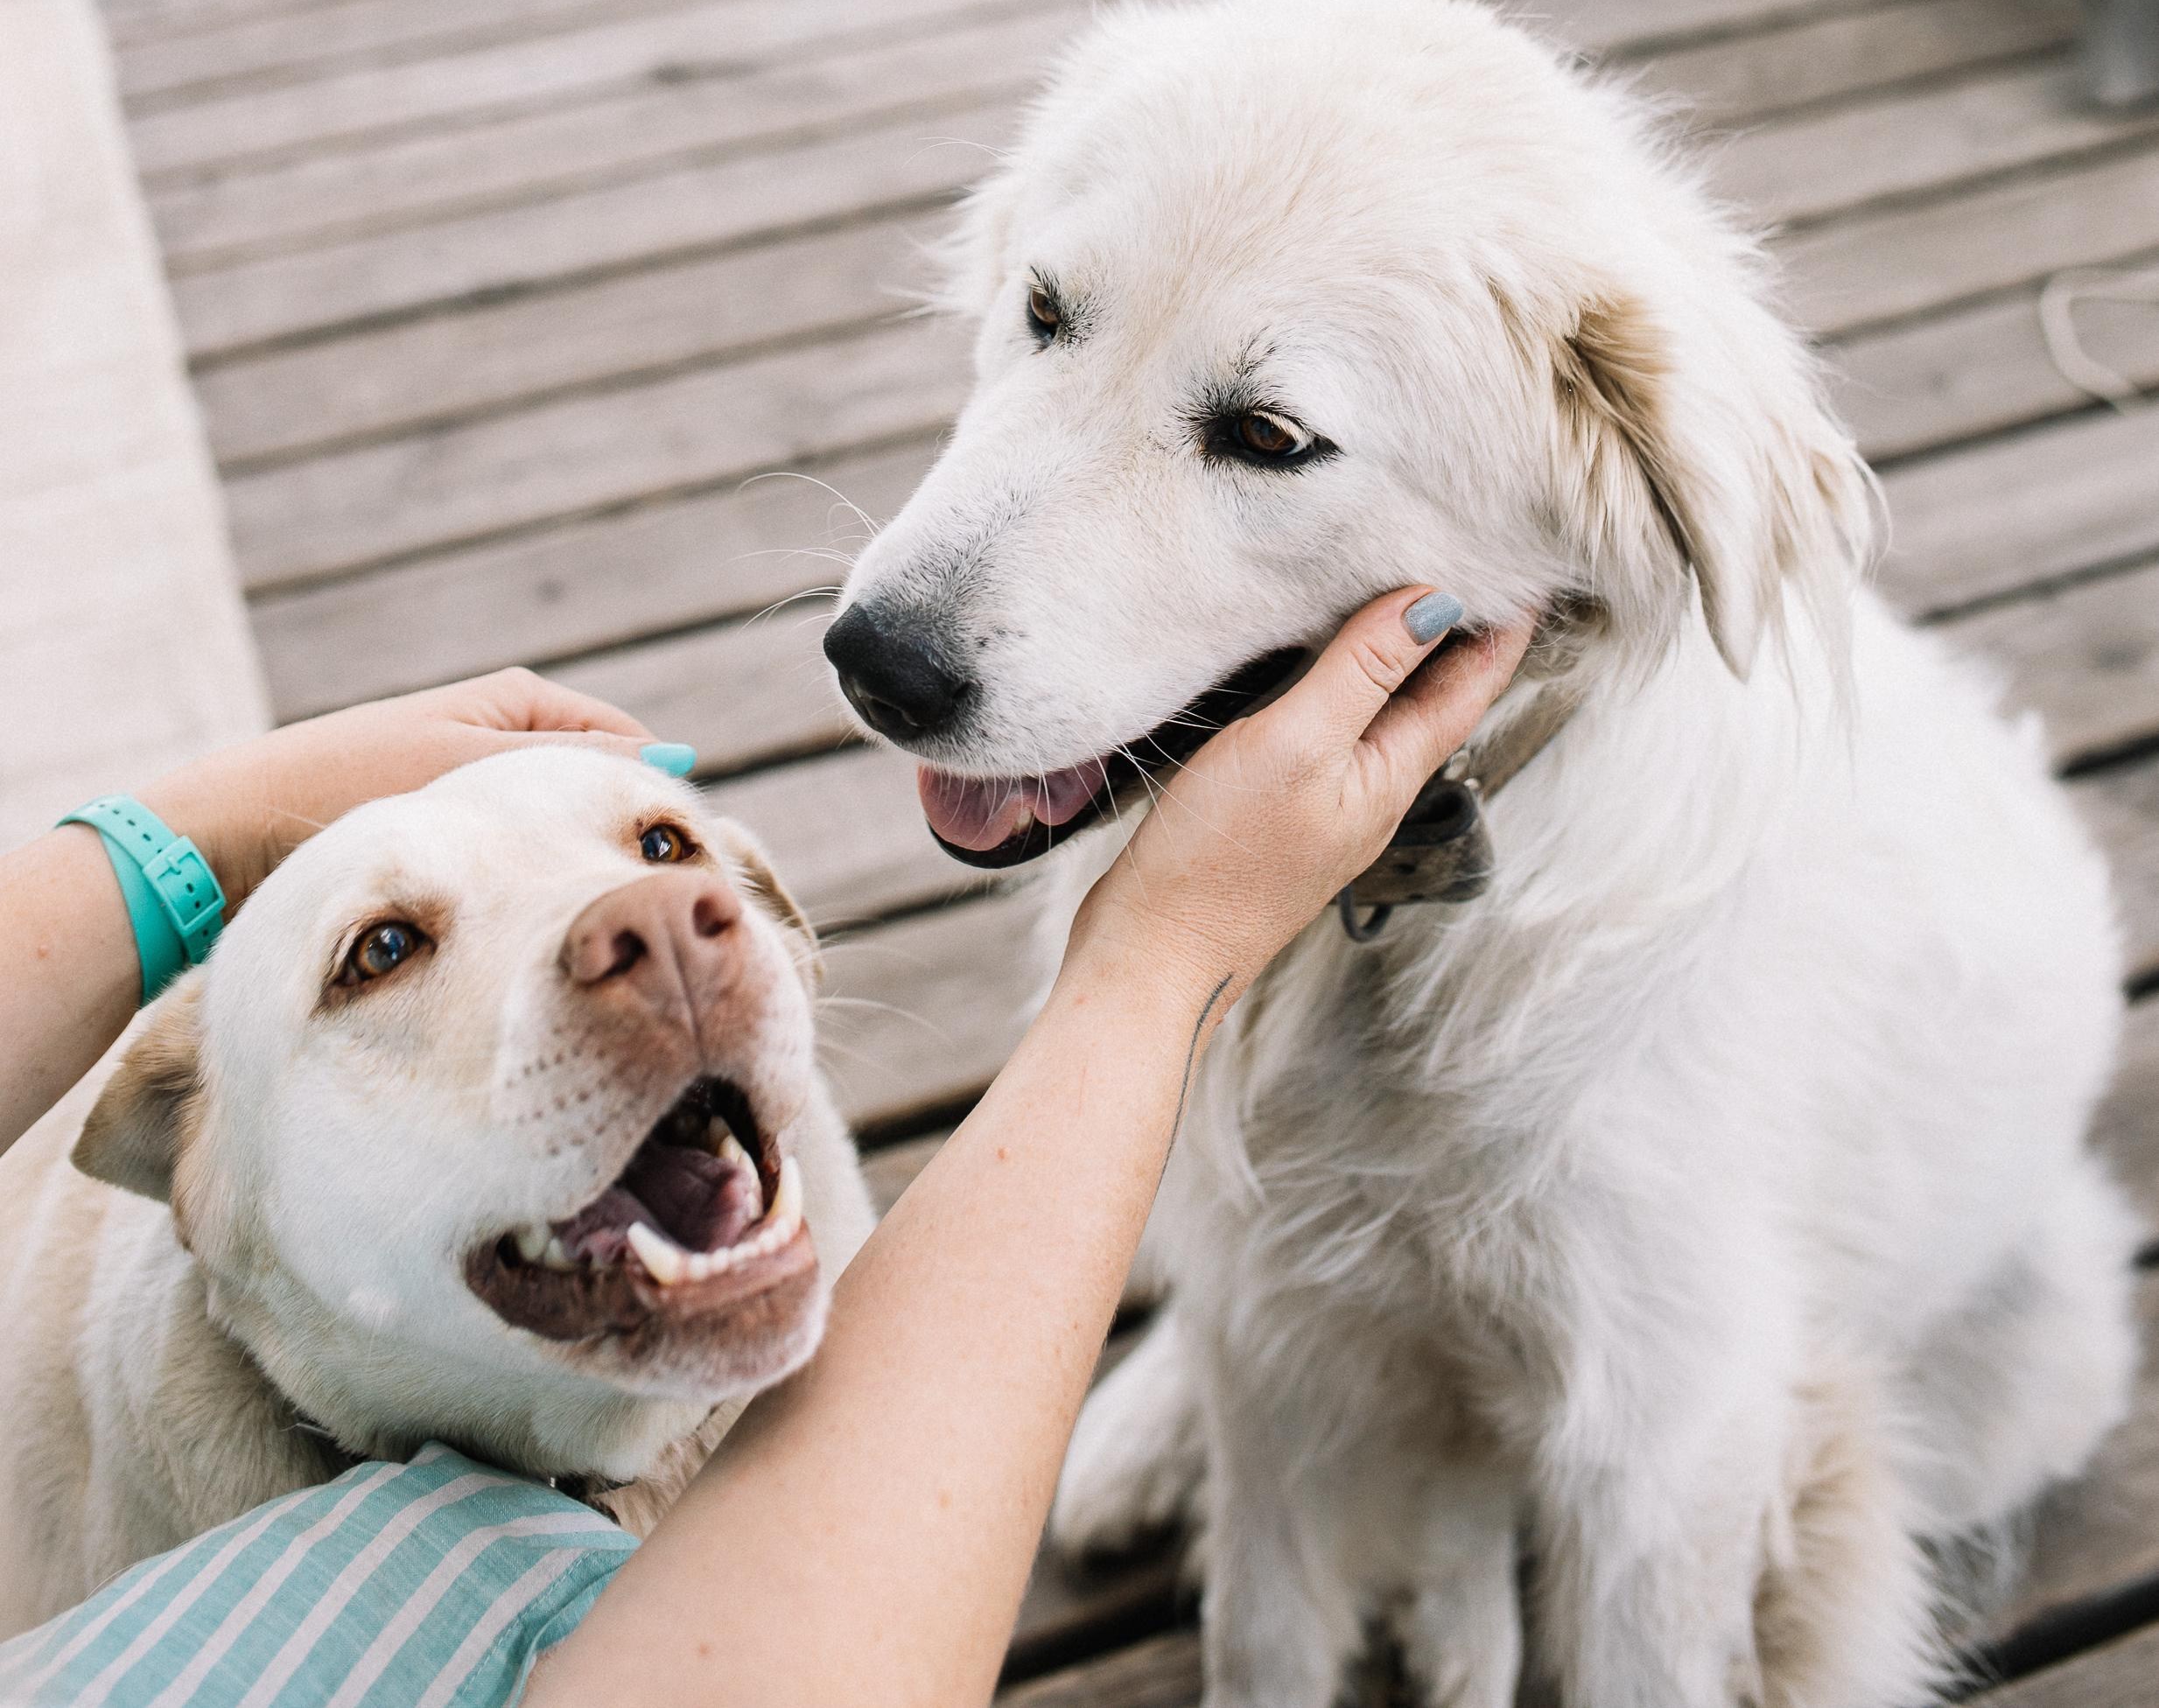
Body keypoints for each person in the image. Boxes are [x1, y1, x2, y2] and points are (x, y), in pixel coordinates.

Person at [0, 591, 1529, 1707]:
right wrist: (1164, 952)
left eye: (663, 853)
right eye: (385, 951)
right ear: (196, 1176)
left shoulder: (724, 1199)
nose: (658, 929)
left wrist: (194, 832)